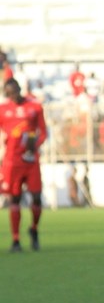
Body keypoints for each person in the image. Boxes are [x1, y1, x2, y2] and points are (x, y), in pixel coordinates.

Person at [0, 78, 47, 252]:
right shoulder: (3, 109)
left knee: (36, 197)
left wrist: (36, 144)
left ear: (20, 89)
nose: (13, 96)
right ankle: (16, 239)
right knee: (15, 198)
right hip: (12, 161)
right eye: (9, 93)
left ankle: (34, 229)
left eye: (15, 91)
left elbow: (43, 131)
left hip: (31, 160)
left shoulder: (34, 107)